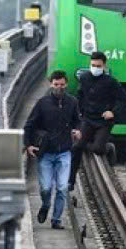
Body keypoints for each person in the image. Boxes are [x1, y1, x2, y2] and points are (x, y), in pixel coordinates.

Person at [23, 70, 81, 230]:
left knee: (62, 188)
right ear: (51, 84)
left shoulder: (72, 102)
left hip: (64, 152)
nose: (59, 88)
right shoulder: (42, 103)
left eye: (62, 85)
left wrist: (78, 130)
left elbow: (78, 120)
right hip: (46, 153)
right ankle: (46, 204)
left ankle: (56, 219)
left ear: (66, 84)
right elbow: (29, 125)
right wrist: (28, 145)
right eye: (56, 85)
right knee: (46, 187)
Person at [69, 51, 126, 190]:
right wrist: (79, 115)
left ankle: (107, 147)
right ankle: (70, 181)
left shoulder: (111, 82)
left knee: (97, 149)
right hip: (88, 119)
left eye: (98, 65)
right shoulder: (84, 78)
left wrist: (112, 112)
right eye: (93, 65)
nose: (95, 68)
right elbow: (80, 96)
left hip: (103, 122)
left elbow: (125, 101)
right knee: (77, 147)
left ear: (104, 65)